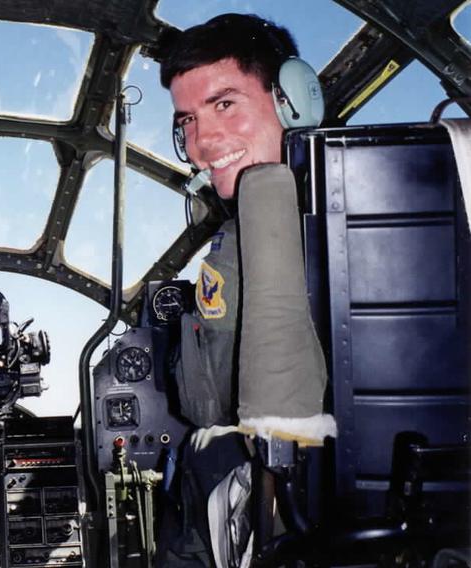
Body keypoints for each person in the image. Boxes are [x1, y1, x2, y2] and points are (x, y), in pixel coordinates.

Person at [155, 13, 318, 566]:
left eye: (225, 104)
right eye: (187, 122)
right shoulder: (236, 240)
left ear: (293, 97)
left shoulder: (360, 221)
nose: (203, 142)